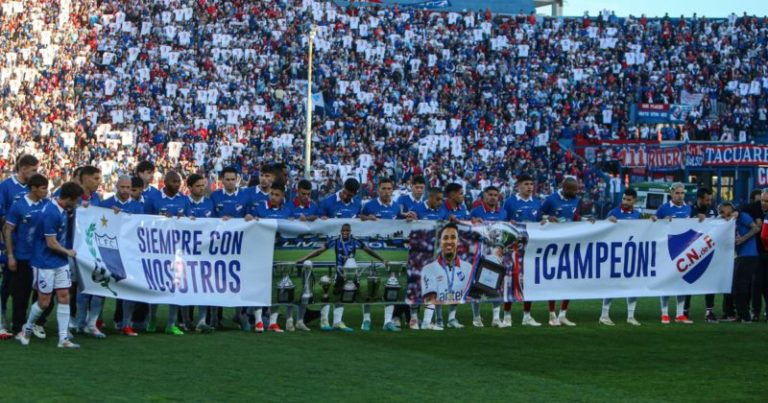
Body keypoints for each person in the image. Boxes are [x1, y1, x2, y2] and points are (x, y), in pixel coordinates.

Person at [16, 182, 83, 348]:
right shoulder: (51, 213)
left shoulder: (61, 208)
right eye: (76, 201)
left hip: (59, 262)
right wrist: (68, 252)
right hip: (44, 262)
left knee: (64, 296)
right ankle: (27, 329)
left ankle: (63, 339)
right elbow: (51, 243)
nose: (77, 204)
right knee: (44, 302)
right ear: (68, 198)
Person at [296, 223, 385, 332]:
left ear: (350, 231)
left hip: (352, 272)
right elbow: (320, 250)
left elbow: (369, 250)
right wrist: (304, 258)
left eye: (347, 231)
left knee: (351, 296)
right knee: (333, 296)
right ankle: (324, 321)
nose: (345, 233)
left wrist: (382, 259)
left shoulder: (355, 240)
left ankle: (339, 322)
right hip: (340, 272)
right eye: (343, 231)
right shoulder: (336, 240)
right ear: (340, 231)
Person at [3, 173, 51, 340]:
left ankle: (34, 325)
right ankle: (18, 327)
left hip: (42, 258)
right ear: (34, 188)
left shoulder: (47, 204)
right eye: (44, 188)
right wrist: (10, 255)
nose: (46, 191)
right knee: (21, 295)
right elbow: (8, 230)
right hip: (23, 257)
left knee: (42, 293)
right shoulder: (19, 206)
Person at [143, 171, 190, 335]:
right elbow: (143, 221)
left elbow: (191, 222)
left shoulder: (184, 199)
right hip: (157, 250)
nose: (178, 184)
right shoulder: (153, 199)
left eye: (179, 182)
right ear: (166, 182)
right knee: (155, 286)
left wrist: (182, 218)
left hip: (177, 250)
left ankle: (171, 323)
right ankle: (152, 319)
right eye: (175, 181)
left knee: (174, 286)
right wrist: (160, 219)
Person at [210, 167, 255, 331]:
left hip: (238, 246)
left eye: (232, 179)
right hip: (218, 246)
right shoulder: (214, 196)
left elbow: (251, 216)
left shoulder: (245, 196)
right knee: (216, 282)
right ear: (222, 180)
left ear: (237, 179)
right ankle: (215, 318)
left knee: (237, 281)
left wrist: (248, 217)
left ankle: (240, 315)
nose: (230, 182)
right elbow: (208, 219)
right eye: (227, 179)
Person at [0, 154, 40, 339]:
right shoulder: (6, 186)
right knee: (7, 284)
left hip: (29, 248)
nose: (35, 173)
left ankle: (21, 324)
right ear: (23, 168)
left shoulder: (33, 189)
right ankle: (2, 322)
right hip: (10, 245)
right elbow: (2, 216)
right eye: (33, 170)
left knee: (23, 287)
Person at [101, 175, 145, 336]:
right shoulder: (105, 204)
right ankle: (96, 321)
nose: (125, 190)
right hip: (109, 251)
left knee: (128, 289)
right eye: (123, 187)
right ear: (116, 187)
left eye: (128, 187)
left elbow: (139, 228)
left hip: (129, 253)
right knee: (102, 286)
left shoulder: (138, 207)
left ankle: (126, 323)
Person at [360, 178, 401, 332]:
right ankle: (366, 319)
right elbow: (359, 220)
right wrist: (366, 218)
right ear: (378, 190)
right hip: (371, 250)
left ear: (393, 190)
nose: (386, 191)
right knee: (369, 285)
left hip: (391, 252)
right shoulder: (369, 205)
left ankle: (387, 321)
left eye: (389, 188)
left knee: (392, 285)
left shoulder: (396, 207)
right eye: (383, 188)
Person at [541, 177, 582, 326]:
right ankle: (552, 314)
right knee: (553, 280)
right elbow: (539, 215)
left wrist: (585, 219)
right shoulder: (551, 199)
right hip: (552, 244)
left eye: (575, 190)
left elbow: (575, 217)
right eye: (571, 190)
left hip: (569, 244)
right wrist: (548, 217)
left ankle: (563, 314)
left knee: (568, 280)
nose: (574, 192)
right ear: (563, 187)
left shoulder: (576, 200)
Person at [502, 174, 542, 327]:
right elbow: (503, 223)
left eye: (531, 184)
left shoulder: (537, 203)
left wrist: (544, 222)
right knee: (510, 281)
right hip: (512, 249)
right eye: (526, 184)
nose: (530, 187)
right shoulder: (510, 202)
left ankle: (527, 316)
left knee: (529, 282)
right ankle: (507, 316)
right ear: (518, 186)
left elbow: (539, 223)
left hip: (531, 249)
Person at [254, 182, 293, 333]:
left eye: (277, 195)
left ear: (283, 196)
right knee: (260, 286)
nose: (274, 197)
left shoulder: (287, 211)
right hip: (261, 253)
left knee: (279, 287)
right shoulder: (260, 209)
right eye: (272, 194)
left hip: (279, 253)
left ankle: (273, 322)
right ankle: (258, 321)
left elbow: (292, 230)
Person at [420, 223, 473, 329]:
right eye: (445, 238)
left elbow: (465, 292)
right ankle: (434, 320)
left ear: (458, 241)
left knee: (456, 288)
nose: (449, 241)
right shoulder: (429, 268)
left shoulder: (467, 267)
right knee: (437, 290)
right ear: (440, 241)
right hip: (438, 292)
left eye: (453, 237)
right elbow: (430, 296)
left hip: (453, 294)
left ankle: (451, 319)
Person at [601, 188, 642, 326]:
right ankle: (604, 314)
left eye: (628, 199)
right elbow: (602, 231)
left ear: (634, 201)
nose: (625, 201)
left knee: (633, 285)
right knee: (611, 284)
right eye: (624, 198)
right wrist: (607, 221)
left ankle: (631, 315)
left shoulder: (638, 215)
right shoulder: (613, 213)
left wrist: (653, 221)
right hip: (615, 255)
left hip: (631, 256)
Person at [654, 182, 695, 324]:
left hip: (683, 249)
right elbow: (652, 225)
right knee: (667, 282)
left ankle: (680, 314)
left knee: (681, 282)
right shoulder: (663, 208)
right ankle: (664, 313)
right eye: (677, 193)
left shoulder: (688, 208)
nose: (679, 195)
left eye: (682, 193)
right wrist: (661, 222)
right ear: (671, 193)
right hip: (667, 250)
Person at [73, 166, 105, 338]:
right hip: (74, 248)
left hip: (93, 249)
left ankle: (91, 324)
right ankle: (80, 322)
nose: (98, 182)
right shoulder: (72, 196)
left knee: (97, 285)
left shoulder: (97, 198)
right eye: (95, 178)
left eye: (99, 179)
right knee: (79, 288)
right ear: (84, 178)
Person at [469, 186, 506, 328]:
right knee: (478, 287)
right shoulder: (476, 212)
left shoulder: (503, 213)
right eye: (490, 194)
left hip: (497, 256)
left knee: (497, 287)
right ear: (484, 196)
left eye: (495, 195)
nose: (493, 197)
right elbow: (469, 232)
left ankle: (496, 318)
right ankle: (476, 317)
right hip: (480, 255)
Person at [185, 174, 216, 333]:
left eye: (203, 185)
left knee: (205, 285)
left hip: (205, 253)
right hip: (186, 252)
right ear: (189, 188)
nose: (202, 188)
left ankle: (202, 320)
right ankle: (186, 321)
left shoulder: (210, 203)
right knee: (186, 286)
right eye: (198, 185)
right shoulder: (184, 203)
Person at [719, 202, 760, 323]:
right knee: (735, 285)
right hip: (740, 256)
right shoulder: (731, 220)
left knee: (739, 285)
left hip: (749, 255)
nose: (721, 214)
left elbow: (756, 228)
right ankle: (737, 314)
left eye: (723, 211)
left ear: (729, 208)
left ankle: (745, 316)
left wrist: (743, 238)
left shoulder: (743, 216)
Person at [687, 188, 719, 322]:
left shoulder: (713, 210)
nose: (709, 202)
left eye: (710, 199)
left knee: (710, 282)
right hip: (691, 252)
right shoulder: (689, 210)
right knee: (688, 281)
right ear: (699, 199)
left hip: (708, 251)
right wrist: (694, 219)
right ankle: (684, 311)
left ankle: (709, 312)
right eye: (707, 200)